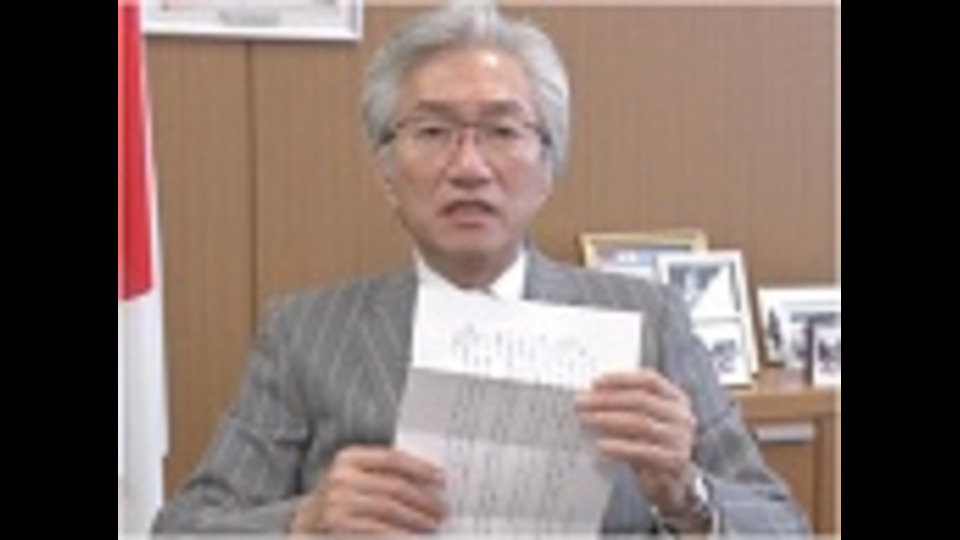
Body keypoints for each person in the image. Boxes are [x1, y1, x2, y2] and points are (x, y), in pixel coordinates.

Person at [152, 1, 811, 536]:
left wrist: (688, 496)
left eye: (502, 131)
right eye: (433, 131)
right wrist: (303, 522)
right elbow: (183, 528)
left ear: (548, 167)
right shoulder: (305, 333)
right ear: (387, 171)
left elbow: (784, 526)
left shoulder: (647, 320)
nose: (468, 166)